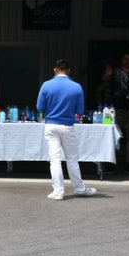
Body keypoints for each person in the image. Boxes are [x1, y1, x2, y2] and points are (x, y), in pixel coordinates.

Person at [36, 59, 97, 201]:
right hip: (67, 125)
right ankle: (80, 189)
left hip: (51, 125)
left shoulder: (46, 85)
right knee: (72, 159)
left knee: (55, 160)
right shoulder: (76, 87)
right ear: (69, 71)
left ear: (55, 70)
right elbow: (80, 110)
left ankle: (58, 191)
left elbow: (40, 108)